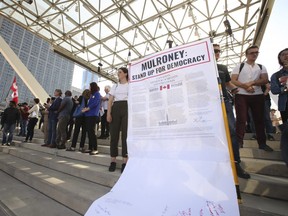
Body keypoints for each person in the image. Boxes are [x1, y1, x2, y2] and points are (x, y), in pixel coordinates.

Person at [213, 44, 250, 179]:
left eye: (219, 51)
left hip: (225, 103)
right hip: (208, 105)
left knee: (232, 132)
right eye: (215, 50)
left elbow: (228, 83)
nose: (218, 53)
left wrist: (235, 89)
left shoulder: (222, 68)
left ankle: (236, 163)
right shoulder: (199, 66)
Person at [231, 45, 273, 152]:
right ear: (246, 55)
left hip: (257, 95)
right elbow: (233, 80)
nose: (254, 54)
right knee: (241, 119)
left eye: (256, 52)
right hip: (241, 95)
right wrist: (246, 87)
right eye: (252, 52)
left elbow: (265, 80)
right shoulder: (239, 66)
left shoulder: (261, 67)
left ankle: (262, 143)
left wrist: (252, 82)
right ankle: (239, 142)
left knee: (259, 119)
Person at [107, 67, 129, 173]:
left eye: (120, 72)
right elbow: (110, 100)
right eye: (118, 72)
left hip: (127, 108)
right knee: (114, 135)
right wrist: (108, 113)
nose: (118, 74)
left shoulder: (130, 85)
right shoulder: (115, 86)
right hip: (115, 108)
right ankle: (113, 161)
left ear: (125, 74)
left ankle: (125, 161)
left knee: (126, 136)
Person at [270, 48, 288, 166]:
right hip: (285, 106)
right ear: (280, 58)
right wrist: (285, 88)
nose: (286, 56)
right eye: (283, 55)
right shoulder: (276, 75)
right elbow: (275, 90)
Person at [82, 82, 101, 155]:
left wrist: (88, 108)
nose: (89, 88)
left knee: (92, 132)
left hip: (93, 115)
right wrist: (86, 108)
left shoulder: (97, 94)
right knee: (89, 132)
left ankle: (95, 149)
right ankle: (90, 148)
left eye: (90, 86)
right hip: (88, 115)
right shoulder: (91, 95)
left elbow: (95, 103)